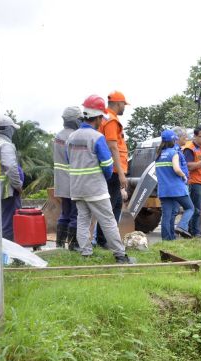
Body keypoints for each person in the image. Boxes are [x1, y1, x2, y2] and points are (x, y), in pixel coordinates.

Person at [67, 95, 133, 263]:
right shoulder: (97, 137)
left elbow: (70, 160)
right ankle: (120, 255)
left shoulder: (72, 137)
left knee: (83, 219)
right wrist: (107, 177)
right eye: (100, 119)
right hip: (95, 187)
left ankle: (86, 252)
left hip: (76, 187)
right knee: (108, 220)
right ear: (97, 117)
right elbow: (107, 164)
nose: (101, 122)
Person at [95, 90, 130, 248]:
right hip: (114, 171)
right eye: (124, 104)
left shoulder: (105, 118)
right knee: (109, 207)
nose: (124, 107)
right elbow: (113, 147)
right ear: (118, 103)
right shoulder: (111, 120)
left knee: (114, 205)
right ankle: (105, 241)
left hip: (113, 170)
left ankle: (107, 239)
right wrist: (121, 173)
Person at [155, 129, 194, 240]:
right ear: (173, 140)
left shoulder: (158, 154)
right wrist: (183, 175)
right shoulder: (174, 153)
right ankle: (182, 226)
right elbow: (177, 169)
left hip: (163, 190)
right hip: (177, 189)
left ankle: (167, 240)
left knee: (166, 215)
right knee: (190, 208)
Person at [52, 106, 82, 249]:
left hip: (61, 182)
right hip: (74, 181)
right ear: (76, 120)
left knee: (65, 213)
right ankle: (73, 246)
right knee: (75, 214)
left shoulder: (59, 135)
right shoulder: (75, 136)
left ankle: (59, 245)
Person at [0, 114, 23, 240]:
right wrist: (18, 186)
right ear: (7, 129)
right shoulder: (5, 145)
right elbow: (11, 167)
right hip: (6, 191)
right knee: (9, 222)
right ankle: (8, 255)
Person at [183, 126, 201, 237]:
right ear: (195, 136)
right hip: (195, 182)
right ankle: (195, 232)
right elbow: (188, 166)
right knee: (196, 209)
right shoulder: (190, 148)